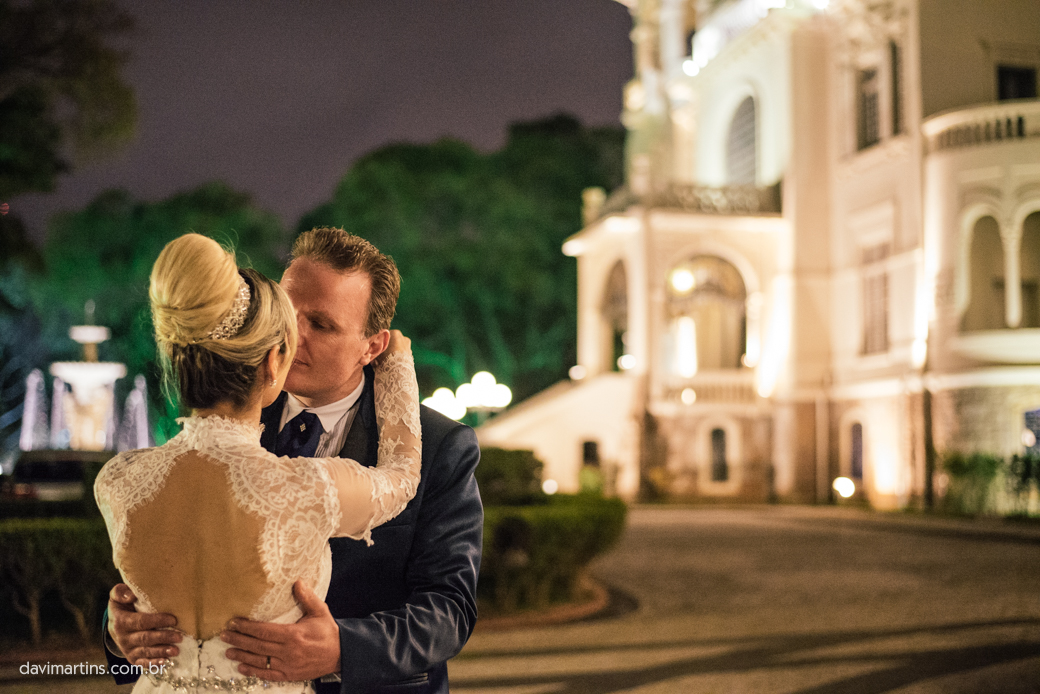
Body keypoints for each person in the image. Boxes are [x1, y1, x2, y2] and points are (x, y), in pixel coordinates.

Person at [104, 228, 484, 694]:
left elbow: (449, 608)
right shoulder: (223, 410)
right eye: (288, 311)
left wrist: (344, 647)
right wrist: (118, 630)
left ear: (373, 346)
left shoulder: (443, 445)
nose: (291, 334)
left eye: (321, 324)